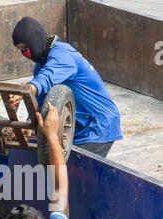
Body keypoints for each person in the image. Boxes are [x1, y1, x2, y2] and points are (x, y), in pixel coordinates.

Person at [9, 16, 122, 158]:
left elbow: (47, 78)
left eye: (25, 48)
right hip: (77, 128)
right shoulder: (40, 65)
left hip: (98, 125)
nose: (24, 54)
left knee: (70, 171)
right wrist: (29, 126)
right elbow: (41, 102)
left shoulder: (62, 55)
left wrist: (28, 89)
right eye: (20, 50)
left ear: (34, 41)